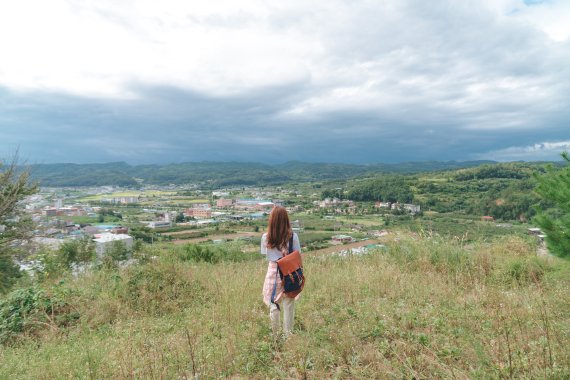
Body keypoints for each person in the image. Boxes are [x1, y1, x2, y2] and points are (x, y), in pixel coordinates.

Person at [261, 206, 301, 337]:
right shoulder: (293, 237)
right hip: (289, 273)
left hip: (273, 272)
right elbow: (297, 256)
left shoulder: (266, 237)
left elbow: (266, 255)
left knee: (273, 303)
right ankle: (288, 335)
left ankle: (275, 335)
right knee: (289, 304)